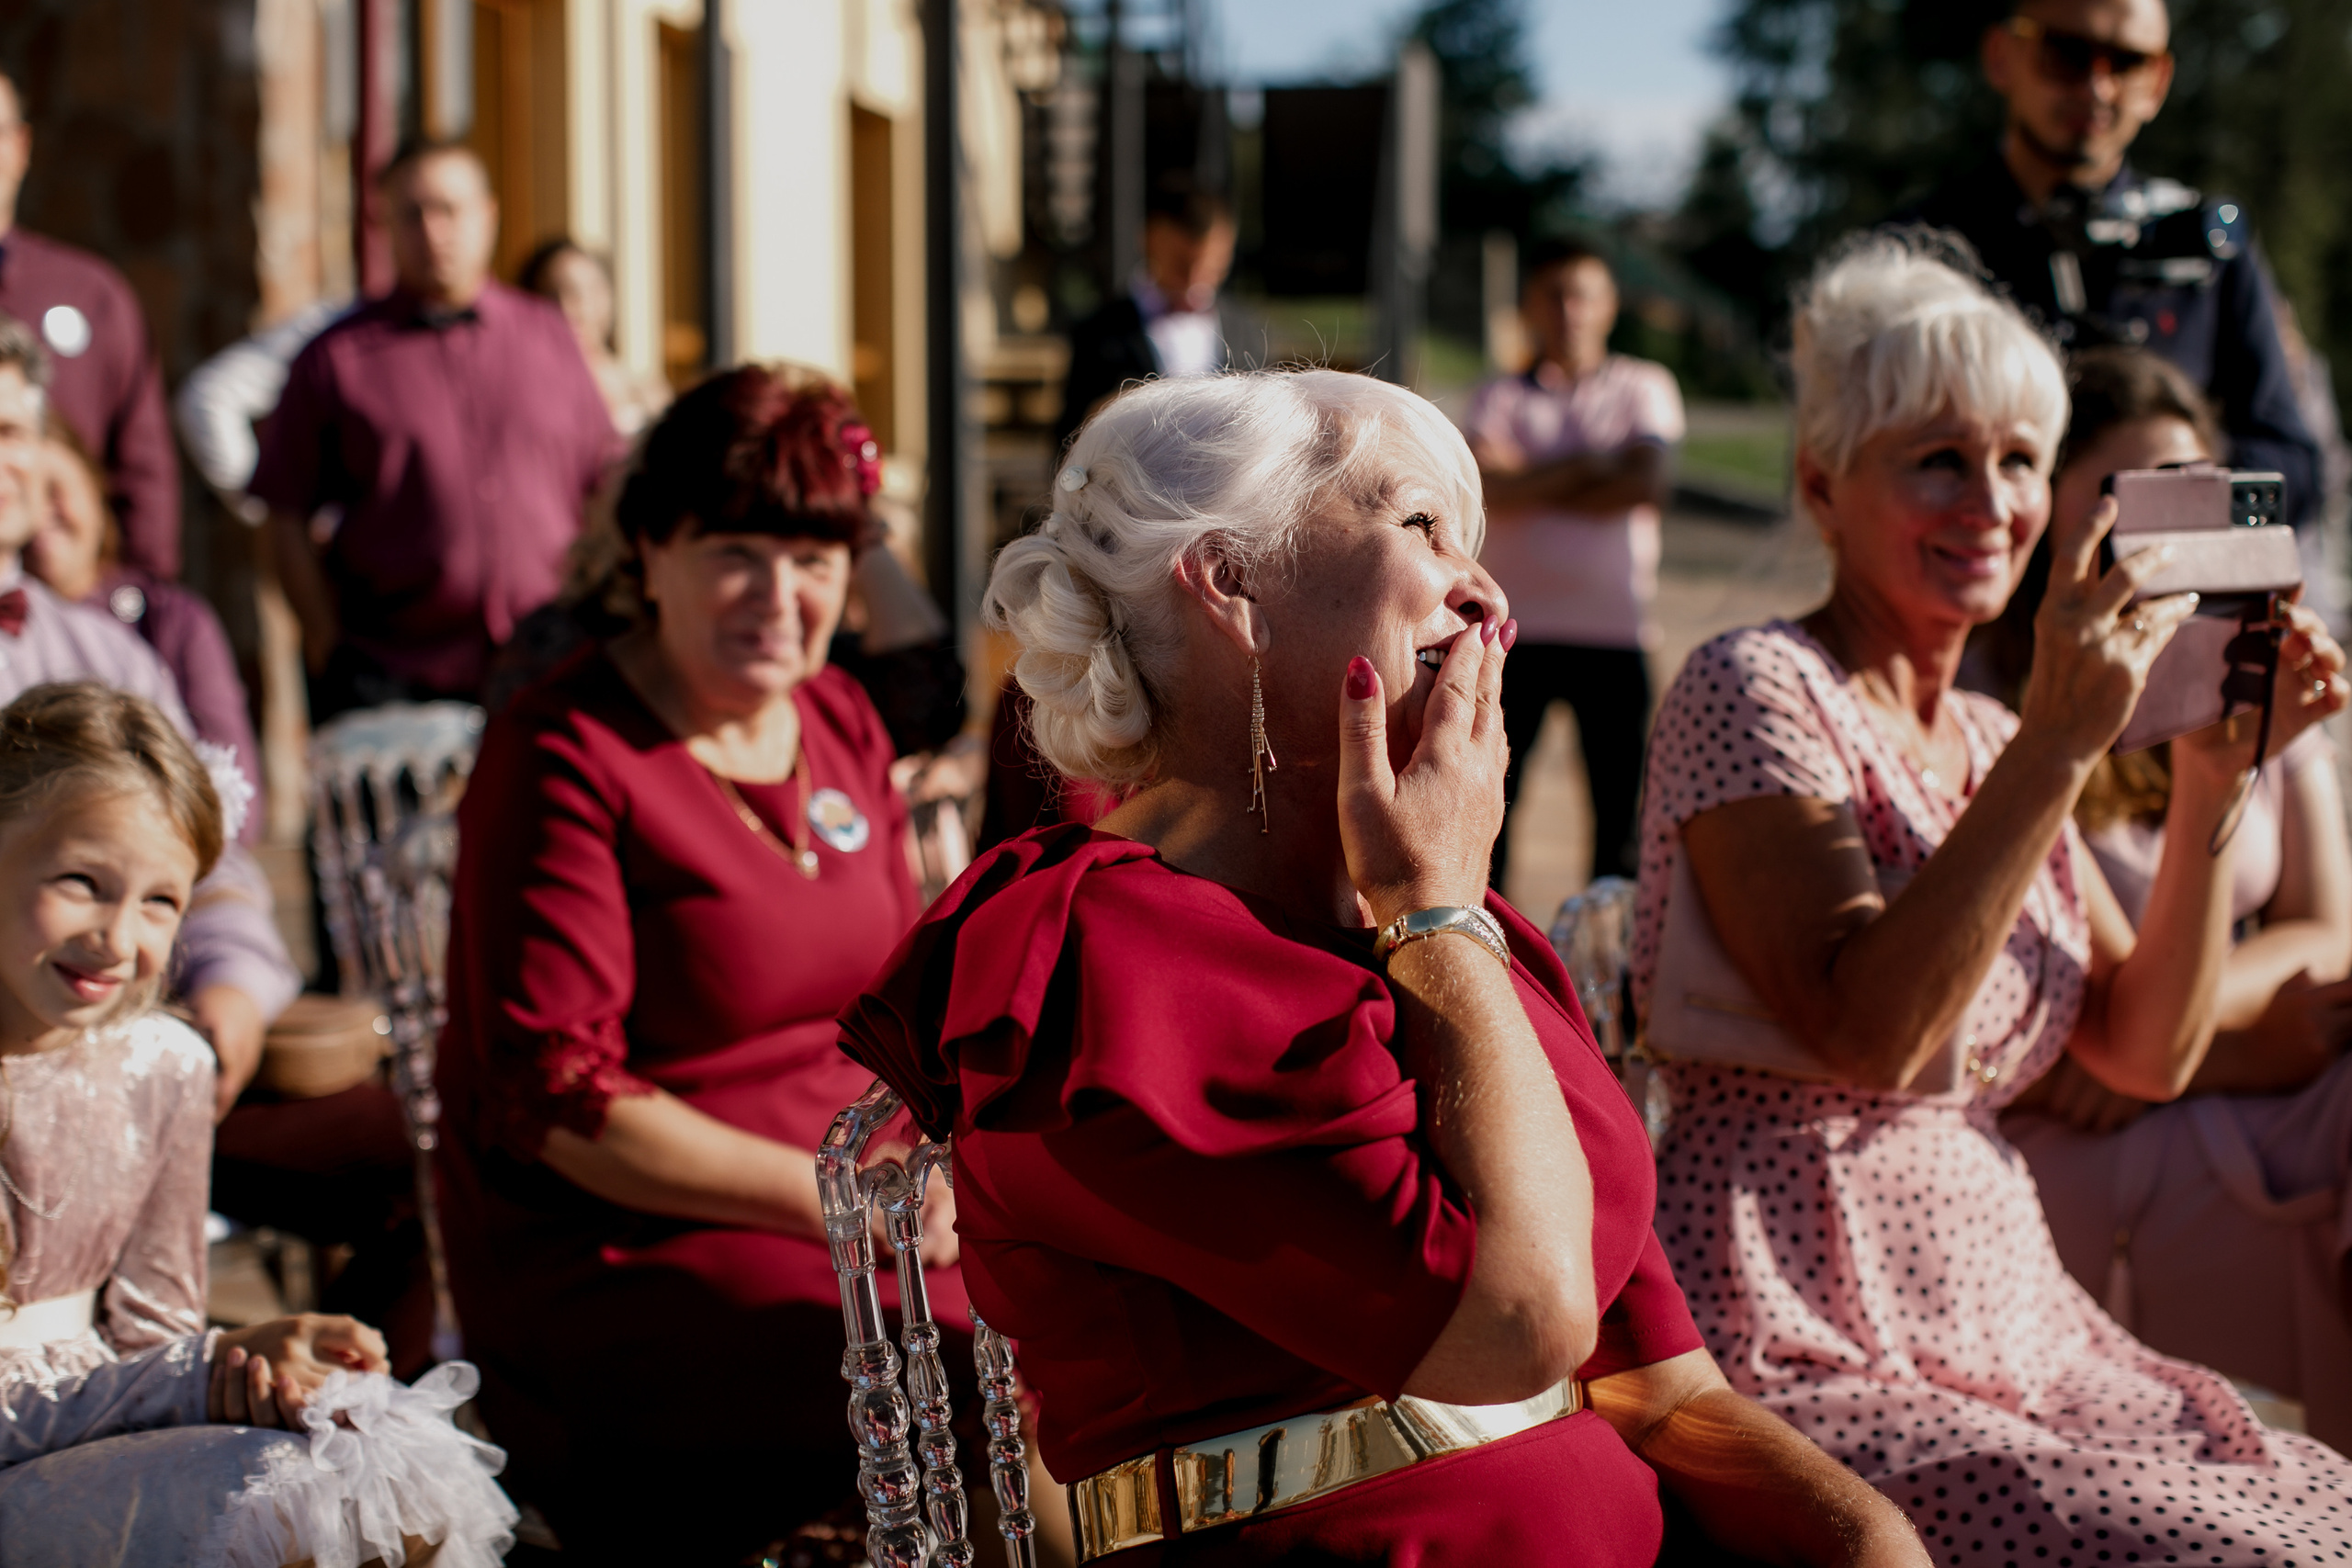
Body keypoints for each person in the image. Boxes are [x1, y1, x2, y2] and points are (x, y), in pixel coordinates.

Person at [840, 368, 1928, 1566]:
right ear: (1229, 582)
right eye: (1421, 525)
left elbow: (1664, 1393)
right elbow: (1517, 1322)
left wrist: (1869, 1536)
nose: (1487, 588)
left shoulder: (1454, 928)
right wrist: (1440, 907)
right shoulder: (1102, 956)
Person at [1633, 232, 2352, 1566]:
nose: (1995, 501)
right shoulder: (1756, 686)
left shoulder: (1985, 727)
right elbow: (1873, 1032)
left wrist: (2207, 777)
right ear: (1820, 484)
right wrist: (2061, 746)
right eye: (1939, 458)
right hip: (1803, 1331)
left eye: (2022, 460)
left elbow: (2145, 1049)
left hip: (2020, 1320)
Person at [436, 366, 969, 1563]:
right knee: (975, 1383)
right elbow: (560, 1100)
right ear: (649, 547)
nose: (781, 596)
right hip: (640, 1244)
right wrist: (848, 1210)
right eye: (737, 551)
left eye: (817, 558)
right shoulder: (565, 749)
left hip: (873, 1215)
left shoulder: (840, 715)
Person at [0, 680, 514, 1567]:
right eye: (82, 883)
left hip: (92, 1425)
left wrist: (244, 1368)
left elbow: (153, 1332)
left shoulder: (165, 1064)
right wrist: (190, 1373)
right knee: (290, 1499)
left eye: (162, 901)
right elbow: (154, 1373)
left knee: (377, 1459)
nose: (120, 939)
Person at [1992, 345, 2352, 1451]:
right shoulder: (2005, 710)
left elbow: (2327, 937)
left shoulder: (2248, 680)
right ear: (2057, 515)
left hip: (2184, 1082)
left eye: (2201, 496)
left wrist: (2179, 1033)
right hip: (2067, 1120)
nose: (2174, 538)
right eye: (2134, 500)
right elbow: (2050, 1022)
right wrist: (2209, 1047)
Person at [0, 315, 297, 1120]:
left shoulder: (108, 655)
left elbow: (201, 855)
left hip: (121, 1075)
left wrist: (233, 980)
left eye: (13, 431)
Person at [1905, 0, 2324, 536]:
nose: (2096, 88)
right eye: (2065, 54)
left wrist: (2172, 503)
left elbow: (2295, 472)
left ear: (2159, 81)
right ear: (2001, 55)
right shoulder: (1919, 254)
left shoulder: (2209, 248)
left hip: (2160, 604)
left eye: (2126, 63)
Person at [250, 139, 620, 723]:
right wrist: (324, 641)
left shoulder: (551, 338)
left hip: (552, 660)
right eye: (413, 213)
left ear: (488, 216)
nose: (433, 230)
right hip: (396, 677)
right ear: (385, 225)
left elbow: (606, 479)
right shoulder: (336, 360)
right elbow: (284, 512)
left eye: (449, 210)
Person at [1463, 239, 1682, 886]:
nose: (1569, 311)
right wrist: (1593, 466)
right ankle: (1491, 968)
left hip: (1615, 636)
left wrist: (1531, 478)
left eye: (1582, 295)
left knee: (1619, 830)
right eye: (1554, 296)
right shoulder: (1497, 395)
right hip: (1510, 636)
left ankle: (1608, 979)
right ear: (1530, 305)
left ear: (1609, 306)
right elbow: (1485, 487)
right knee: (1489, 818)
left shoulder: (1645, 385)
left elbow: (1647, 482)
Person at [28, 414, 264, 836]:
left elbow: (235, 796)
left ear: (95, 488)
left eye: (54, 490)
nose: (40, 516)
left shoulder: (171, 623)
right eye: (21, 499)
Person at [0, 69, 180, 578]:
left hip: (69, 602)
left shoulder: (89, 294)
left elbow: (143, 470)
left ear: (20, 145)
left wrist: (138, 600)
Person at [1052, 179, 1237, 455]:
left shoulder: (1246, 328)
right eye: (1183, 265)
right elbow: (1066, 443)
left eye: (1213, 267)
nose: (1196, 280)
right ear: (1151, 240)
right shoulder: (1099, 332)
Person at [518, 239, 672, 438]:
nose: (571, 308)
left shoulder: (644, 391)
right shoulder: (525, 393)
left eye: (586, 291)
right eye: (553, 295)